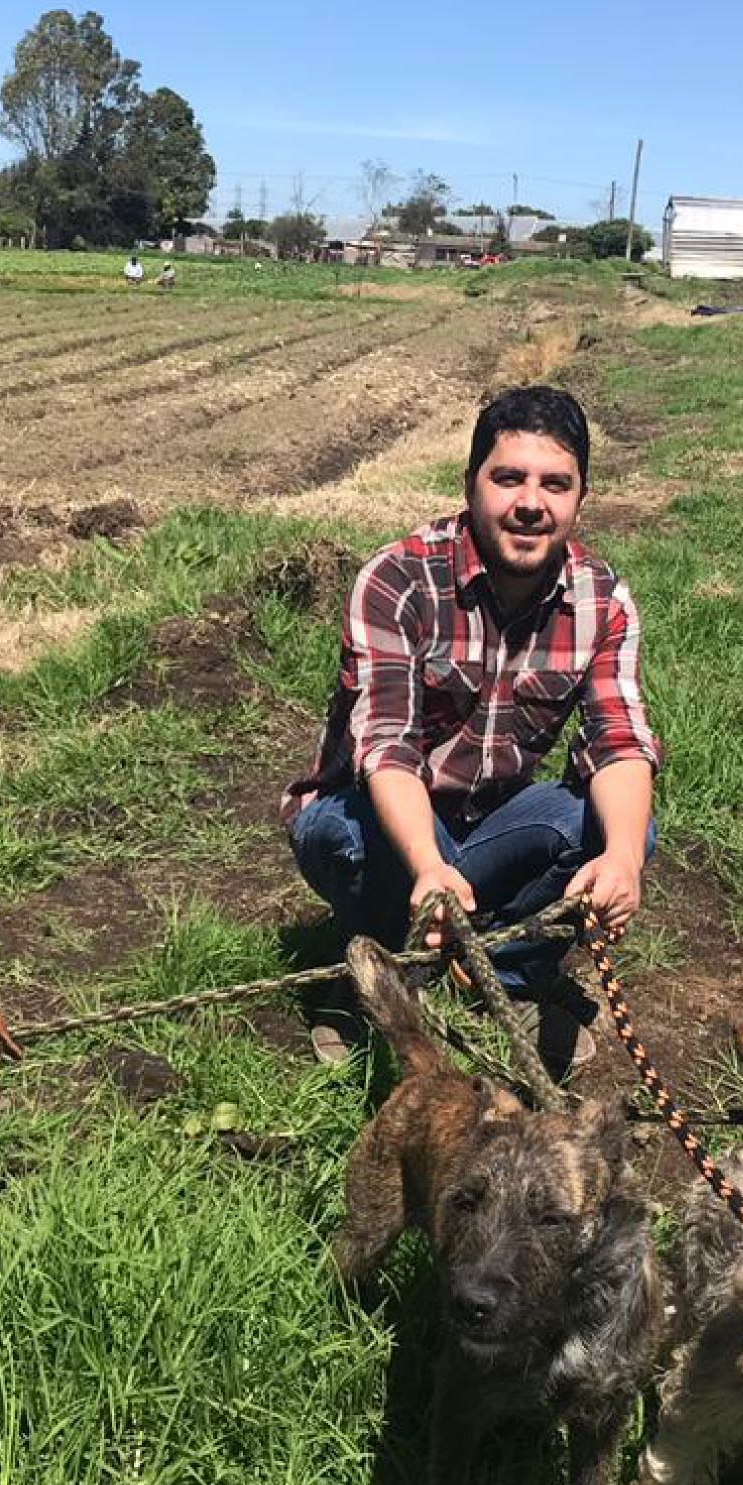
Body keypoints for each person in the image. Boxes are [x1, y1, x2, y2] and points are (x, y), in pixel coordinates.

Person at [282, 384, 660, 1068]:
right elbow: (385, 749)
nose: (529, 503)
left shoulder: (601, 600)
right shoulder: (397, 579)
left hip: (491, 823)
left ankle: (503, 976)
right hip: (376, 816)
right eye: (507, 477)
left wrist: (625, 859)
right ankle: (375, 974)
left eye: (555, 483)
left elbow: (618, 739)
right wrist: (428, 865)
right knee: (335, 834)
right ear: (470, 483)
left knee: (622, 827)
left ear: (580, 497)